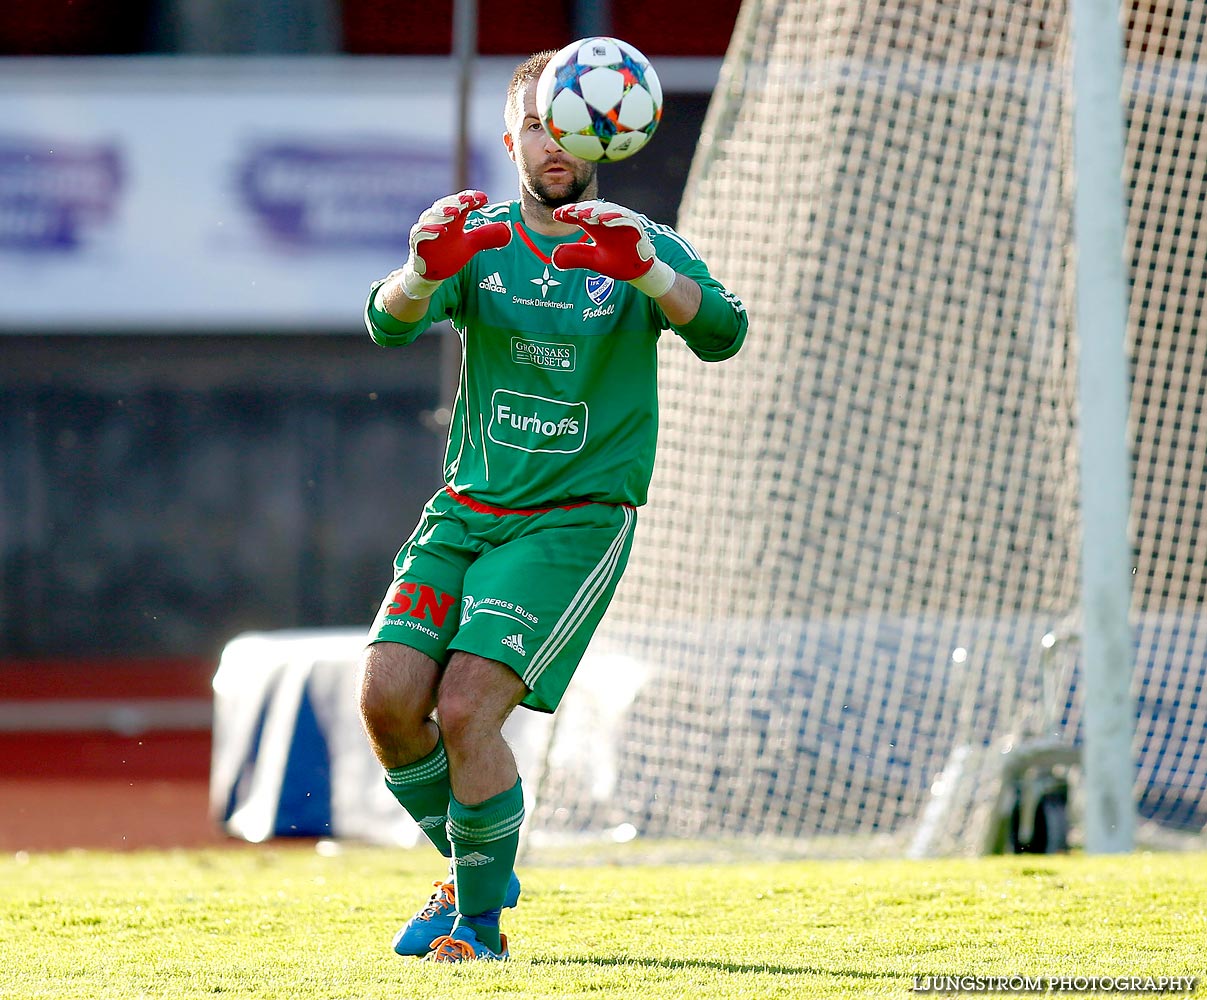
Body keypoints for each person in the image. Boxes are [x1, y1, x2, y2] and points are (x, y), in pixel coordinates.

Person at [357, 48, 748, 963]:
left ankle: (478, 930)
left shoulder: (635, 242)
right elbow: (385, 321)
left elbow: (724, 331)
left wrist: (650, 276)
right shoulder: (478, 240)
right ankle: (472, 865)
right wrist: (420, 272)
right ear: (513, 138)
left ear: (606, 132)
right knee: (384, 699)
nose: (553, 140)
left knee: (463, 709)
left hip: (572, 520)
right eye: (536, 122)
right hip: (465, 511)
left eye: (566, 123)